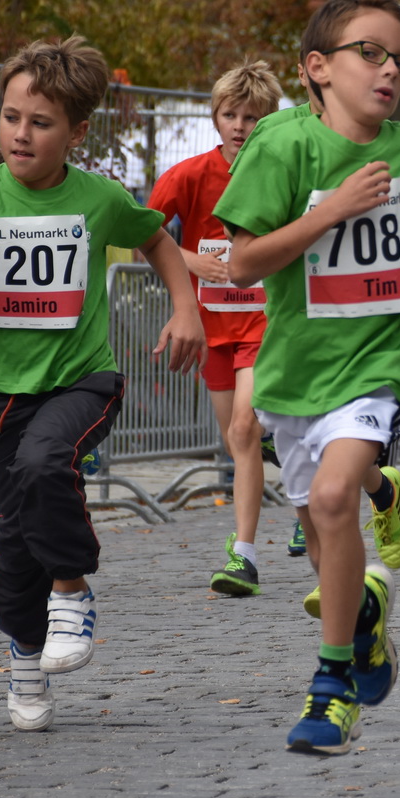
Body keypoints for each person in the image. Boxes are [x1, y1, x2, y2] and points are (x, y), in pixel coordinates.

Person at [0, 36, 206, 733]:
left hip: (80, 380)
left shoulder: (97, 196)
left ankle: (73, 592)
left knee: (45, 462)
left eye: (40, 123)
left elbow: (156, 236)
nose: (21, 134)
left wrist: (186, 310)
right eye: (11, 117)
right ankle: (27, 659)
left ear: (77, 132)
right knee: (11, 544)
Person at [216, 0, 400, 756]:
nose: (390, 72)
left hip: (377, 363)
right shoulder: (281, 147)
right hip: (295, 374)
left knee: (342, 493)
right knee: (324, 532)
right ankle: (367, 621)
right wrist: (333, 210)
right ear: (318, 67)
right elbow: (243, 264)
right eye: (371, 54)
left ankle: (332, 680)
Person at [147, 61, 285, 597]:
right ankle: (283, 440)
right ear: (215, 117)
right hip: (212, 327)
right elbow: (143, 232)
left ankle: (244, 554)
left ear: (268, 121)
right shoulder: (189, 175)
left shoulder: (279, 172)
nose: (240, 126)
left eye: (252, 117)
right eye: (231, 114)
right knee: (237, 439)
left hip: (266, 319)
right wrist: (190, 259)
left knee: (244, 430)